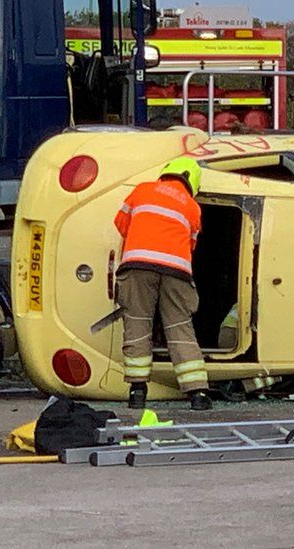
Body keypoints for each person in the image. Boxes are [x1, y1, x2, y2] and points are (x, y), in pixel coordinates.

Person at [113, 157, 212, 411]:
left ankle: (137, 391)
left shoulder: (142, 190)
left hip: (138, 265)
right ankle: (198, 393)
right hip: (176, 271)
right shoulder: (192, 207)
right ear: (192, 182)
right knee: (179, 326)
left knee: (137, 323)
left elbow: (121, 224)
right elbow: (191, 245)